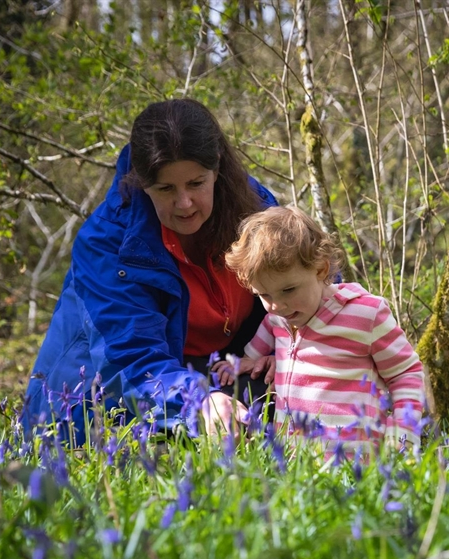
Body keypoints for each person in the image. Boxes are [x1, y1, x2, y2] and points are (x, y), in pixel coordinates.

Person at [22, 98, 276, 444]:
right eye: (165, 188)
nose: (184, 203)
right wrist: (199, 401)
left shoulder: (253, 204)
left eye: (196, 183)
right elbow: (131, 359)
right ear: (142, 182)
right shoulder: (106, 244)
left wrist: (285, 350)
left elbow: (309, 283)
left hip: (219, 373)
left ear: (216, 167)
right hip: (102, 407)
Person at [215, 205, 425, 459]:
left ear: (321, 269)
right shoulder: (280, 318)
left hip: (355, 464)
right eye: (264, 295)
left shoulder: (367, 315)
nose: (276, 305)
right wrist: (247, 359)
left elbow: (406, 374)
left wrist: (402, 437)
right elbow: (269, 327)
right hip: (294, 464)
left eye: (288, 290)